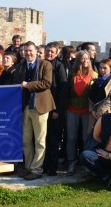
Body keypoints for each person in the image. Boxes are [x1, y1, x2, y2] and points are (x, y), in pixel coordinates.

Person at [13, 41, 55, 180]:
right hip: (25, 107)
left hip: (40, 107)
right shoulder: (20, 67)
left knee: (40, 141)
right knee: (26, 140)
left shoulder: (45, 64)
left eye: (30, 50)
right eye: (25, 51)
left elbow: (46, 83)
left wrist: (28, 85)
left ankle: (37, 169)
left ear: (36, 51)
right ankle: (28, 167)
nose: (28, 53)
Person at [66, 50, 98, 175]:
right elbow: (67, 91)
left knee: (86, 138)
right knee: (71, 137)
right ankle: (71, 163)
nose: (85, 61)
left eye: (87, 59)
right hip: (72, 109)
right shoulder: (72, 75)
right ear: (78, 60)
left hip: (87, 111)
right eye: (82, 59)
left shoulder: (94, 75)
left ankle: (86, 163)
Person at [42, 42, 68, 176]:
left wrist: (57, 110)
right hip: (43, 107)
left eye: (52, 52)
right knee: (44, 139)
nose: (49, 54)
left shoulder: (59, 66)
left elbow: (62, 90)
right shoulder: (41, 64)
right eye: (47, 51)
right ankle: (45, 165)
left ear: (57, 53)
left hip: (55, 109)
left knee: (53, 139)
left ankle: (52, 168)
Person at [89, 59, 111, 129]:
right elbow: (90, 97)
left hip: (106, 114)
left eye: (105, 68)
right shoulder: (96, 81)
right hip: (93, 115)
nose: (102, 70)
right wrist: (92, 111)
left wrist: (99, 112)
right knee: (92, 136)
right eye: (100, 68)